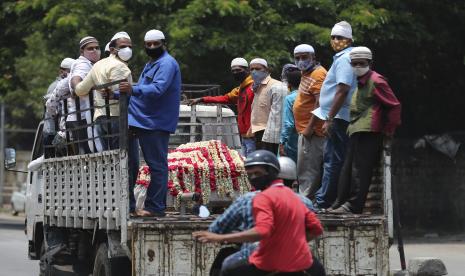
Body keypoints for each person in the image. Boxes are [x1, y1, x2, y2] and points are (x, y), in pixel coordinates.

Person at [193, 150, 324, 275]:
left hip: (267, 261)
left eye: (257, 174)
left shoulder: (258, 197)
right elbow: (316, 229)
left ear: (272, 173)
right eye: (250, 175)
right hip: (300, 262)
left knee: (227, 265)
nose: (253, 178)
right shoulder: (300, 199)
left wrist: (220, 238)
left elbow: (262, 231)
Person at [118, 29, 181, 217]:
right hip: (143, 120)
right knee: (136, 164)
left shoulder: (167, 64)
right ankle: (138, 205)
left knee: (157, 166)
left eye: (156, 44)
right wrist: (115, 94)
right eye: (149, 44)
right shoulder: (151, 63)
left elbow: (158, 89)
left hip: (155, 122)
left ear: (164, 44)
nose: (152, 47)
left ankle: (155, 207)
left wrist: (131, 90)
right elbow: (138, 88)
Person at [330, 47, 401, 214]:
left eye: (361, 63)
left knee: (360, 170)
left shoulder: (377, 81)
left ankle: (354, 206)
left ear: (370, 63)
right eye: (354, 64)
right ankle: (340, 203)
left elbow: (394, 106)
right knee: (347, 169)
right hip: (356, 129)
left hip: (369, 130)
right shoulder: (359, 81)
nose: (357, 66)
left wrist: (389, 131)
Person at [312, 21, 357, 210]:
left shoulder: (345, 58)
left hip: (339, 117)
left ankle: (323, 201)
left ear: (349, 40)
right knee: (335, 159)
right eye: (333, 37)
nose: (336, 40)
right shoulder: (342, 57)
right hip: (338, 115)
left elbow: (342, 89)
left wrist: (329, 118)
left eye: (340, 37)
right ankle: (329, 199)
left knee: (332, 160)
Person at [75, 31, 133, 151]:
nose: (127, 50)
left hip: (100, 119)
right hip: (117, 117)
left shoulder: (97, 65)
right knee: (124, 160)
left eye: (130, 47)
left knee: (107, 159)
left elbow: (80, 90)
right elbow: (122, 95)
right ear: (112, 49)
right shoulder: (120, 66)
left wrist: (74, 84)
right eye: (123, 47)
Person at [187, 57, 255, 156]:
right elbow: (225, 98)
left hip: (253, 134)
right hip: (244, 134)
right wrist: (203, 99)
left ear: (247, 70)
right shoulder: (240, 90)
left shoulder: (254, 87)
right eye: (233, 71)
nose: (236, 73)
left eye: (239, 70)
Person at [292, 44, 328, 199]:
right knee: (304, 169)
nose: (301, 61)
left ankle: (305, 202)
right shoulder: (306, 73)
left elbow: (320, 103)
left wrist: (309, 127)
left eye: (304, 57)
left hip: (313, 131)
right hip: (305, 130)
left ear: (313, 57)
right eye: (297, 58)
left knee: (308, 170)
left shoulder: (318, 74)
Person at [68, 36, 101, 154]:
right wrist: (77, 88)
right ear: (82, 51)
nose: (95, 51)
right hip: (82, 119)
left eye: (97, 48)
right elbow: (75, 79)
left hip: (82, 117)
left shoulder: (91, 64)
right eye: (90, 48)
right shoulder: (83, 64)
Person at [249, 58, 288, 154]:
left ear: (266, 70)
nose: (254, 72)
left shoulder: (276, 86)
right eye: (252, 69)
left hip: (270, 134)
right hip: (258, 132)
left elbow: (278, 115)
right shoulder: (256, 87)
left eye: (257, 69)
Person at [43, 58, 74, 158]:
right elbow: (51, 106)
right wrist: (55, 115)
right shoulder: (56, 85)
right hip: (51, 131)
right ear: (61, 71)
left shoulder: (69, 82)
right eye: (70, 70)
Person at [279, 64, 301, 163]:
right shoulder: (309, 96)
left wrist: (282, 142)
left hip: (292, 141)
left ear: (288, 84)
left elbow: (288, 124)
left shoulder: (290, 98)